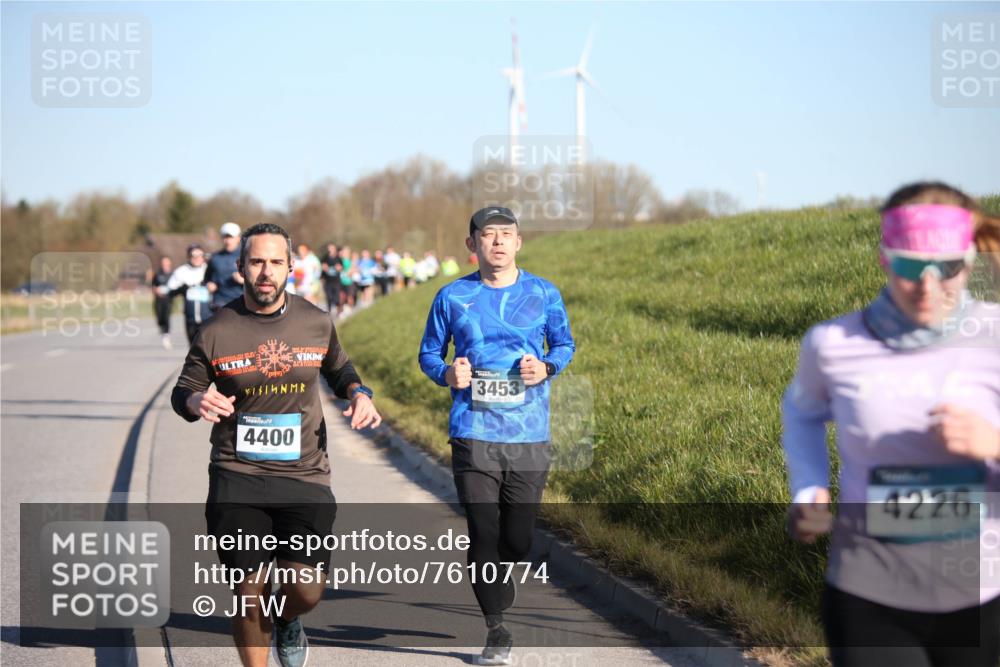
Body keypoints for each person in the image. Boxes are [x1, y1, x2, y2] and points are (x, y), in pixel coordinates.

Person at [782, 182, 1000, 667]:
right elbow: (801, 412)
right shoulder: (833, 344)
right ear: (885, 259)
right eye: (910, 267)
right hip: (869, 593)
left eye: (947, 267)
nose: (928, 286)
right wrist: (809, 488)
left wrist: (994, 443)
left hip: (981, 595)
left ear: (968, 261)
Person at [171, 223, 381, 667]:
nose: (266, 272)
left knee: (306, 590)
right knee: (249, 593)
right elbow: (184, 390)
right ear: (241, 268)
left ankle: (287, 618)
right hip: (237, 474)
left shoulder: (315, 321)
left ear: (290, 267)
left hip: (304, 474)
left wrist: (359, 394)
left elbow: (341, 371)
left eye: (275, 262)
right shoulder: (216, 329)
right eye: (256, 262)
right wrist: (195, 400)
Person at [418, 206, 576, 665]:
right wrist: (447, 373)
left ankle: (501, 572)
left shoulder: (543, 293)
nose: (499, 242)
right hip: (473, 429)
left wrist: (546, 366)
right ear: (473, 244)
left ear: (519, 242)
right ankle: (496, 630)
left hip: (528, 431)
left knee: (519, 540)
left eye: (507, 234)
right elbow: (429, 354)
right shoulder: (452, 296)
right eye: (489, 234)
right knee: (482, 531)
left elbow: (564, 344)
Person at [161, 244, 209, 345]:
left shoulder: (209, 269)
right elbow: (170, 291)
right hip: (190, 317)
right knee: (193, 346)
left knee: (208, 346)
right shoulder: (181, 272)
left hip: (209, 316)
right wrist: (181, 289)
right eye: (193, 255)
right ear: (188, 256)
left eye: (200, 255)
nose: (197, 258)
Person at [205, 222, 245, 312]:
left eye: (230, 237)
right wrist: (209, 284)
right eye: (225, 237)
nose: (227, 241)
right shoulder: (215, 257)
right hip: (219, 303)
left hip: (241, 303)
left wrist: (244, 281)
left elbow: (256, 280)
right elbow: (207, 278)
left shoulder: (245, 256)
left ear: (238, 238)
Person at [151, 255, 174, 349]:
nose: (165, 264)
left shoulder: (173, 275)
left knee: (166, 317)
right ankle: (162, 329)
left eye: (166, 262)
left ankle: (166, 336)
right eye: (163, 263)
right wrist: (156, 291)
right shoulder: (157, 274)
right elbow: (153, 286)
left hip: (168, 300)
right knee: (160, 318)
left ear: (169, 263)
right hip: (158, 300)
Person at [321, 243, 341, 313]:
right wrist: (324, 267)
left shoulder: (338, 258)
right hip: (327, 280)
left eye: (332, 248)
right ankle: (329, 311)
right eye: (329, 248)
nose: (330, 250)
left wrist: (338, 268)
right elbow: (322, 265)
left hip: (336, 280)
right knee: (329, 296)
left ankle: (338, 310)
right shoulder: (325, 257)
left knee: (336, 296)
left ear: (335, 249)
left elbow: (341, 267)